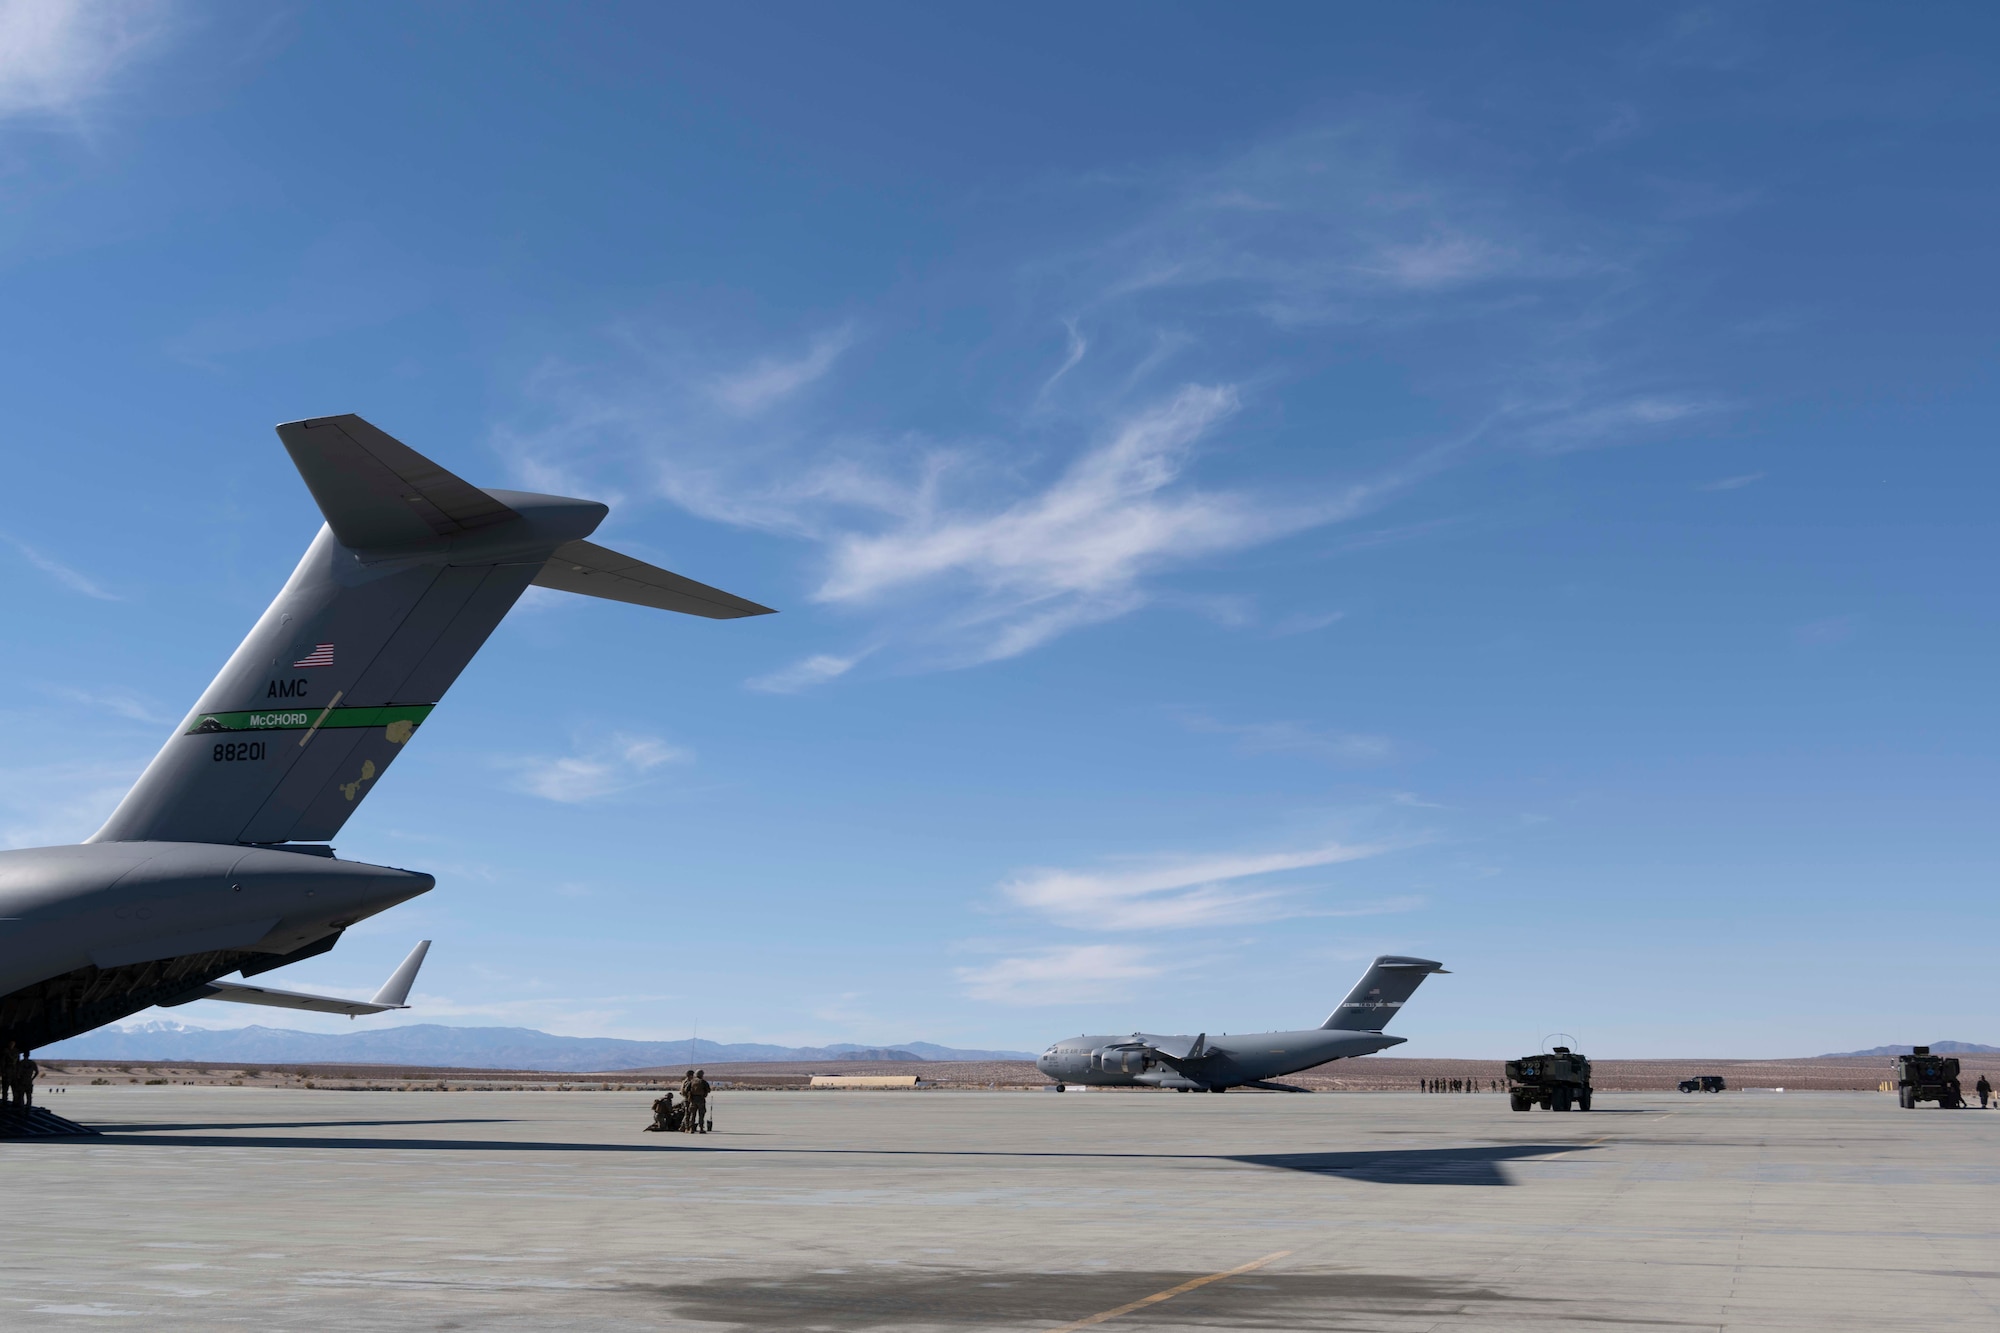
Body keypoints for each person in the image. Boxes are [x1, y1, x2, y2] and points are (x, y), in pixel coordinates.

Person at [687, 1069, 711, 1133]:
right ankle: (701, 1128)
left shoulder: (692, 1081)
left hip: (693, 1100)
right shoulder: (703, 1082)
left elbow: (686, 1089)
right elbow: (708, 1090)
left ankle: (691, 1129)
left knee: (692, 1114)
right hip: (701, 1100)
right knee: (701, 1114)